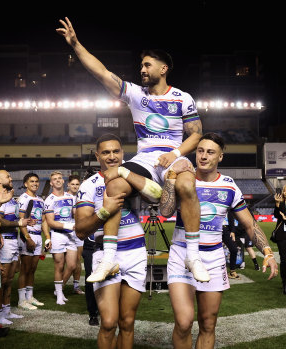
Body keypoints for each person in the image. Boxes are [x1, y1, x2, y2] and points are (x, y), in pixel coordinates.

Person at [57, 18, 208, 283]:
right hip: (146, 160)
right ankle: (109, 258)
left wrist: (175, 155)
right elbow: (102, 73)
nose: (142, 69)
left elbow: (196, 134)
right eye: (141, 65)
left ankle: (193, 257)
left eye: (147, 65)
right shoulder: (136, 94)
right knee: (114, 185)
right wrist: (76, 44)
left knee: (186, 186)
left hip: (174, 157)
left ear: (164, 69)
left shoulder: (183, 98)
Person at [159, 132, 277, 349]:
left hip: (213, 257)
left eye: (210, 152)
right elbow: (165, 212)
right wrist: (171, 178)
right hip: (182, 254)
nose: (203, 156)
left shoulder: (229, 186)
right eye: (200, 151)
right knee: (184, 322)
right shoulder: (184, 178)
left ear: (220, 157)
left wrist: (268, 252)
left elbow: (250, 224)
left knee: (208, 324)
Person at [73, 133, 151, 349]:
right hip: (104, 253)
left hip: (135, 252)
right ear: (98, 155)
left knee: (127, 322)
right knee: (108, 322)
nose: (111, 156)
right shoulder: (89, 185)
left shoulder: (133, 175)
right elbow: (80, 230)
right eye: (106, 152)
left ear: (123, 153)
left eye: (116, 151)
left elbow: (158, 198)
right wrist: (104, 212)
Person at [0, 170, 31, 323]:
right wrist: (18, 223)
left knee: (9, 279)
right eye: (7, 176)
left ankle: (7, 310)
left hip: (13, 240)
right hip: (4, 242)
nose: (11, 178)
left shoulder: (10, 198)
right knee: (2, 280)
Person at [43, 171, 78, 305]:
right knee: (59, 265)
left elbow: (75, 213)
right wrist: (69, 226)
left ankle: (59, 290)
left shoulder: (71, 197)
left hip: (70, 235)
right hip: (58, 234)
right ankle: (59, 294)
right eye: (54, 179)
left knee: (72, 265)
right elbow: (50, 222)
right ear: (51, 183)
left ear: (63, 181)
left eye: (59, 178)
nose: (57, 180)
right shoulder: (49, 200)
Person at [17, 173, 49, 310]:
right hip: (27, 235)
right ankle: (21, 300)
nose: (35, 184)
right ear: (26, 184)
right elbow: (21, 220)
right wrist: (27, 238)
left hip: (37, 236)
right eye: (32, 181)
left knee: (32, 269)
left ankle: (29, 297)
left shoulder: (40, 200)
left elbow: (44, 221)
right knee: (25, 269)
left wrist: (47, 237)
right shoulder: (23, 198)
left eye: (36, 181)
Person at [65, 174, 85, 295]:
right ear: (68, 185)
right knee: (63, 261)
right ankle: (59, 286)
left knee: (78, 259)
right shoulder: (64, 196)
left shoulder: (81, 197)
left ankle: (76, 286)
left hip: (78, 230)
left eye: (77, 184)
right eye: (73, 184)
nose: (75, 186)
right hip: (65, 231)